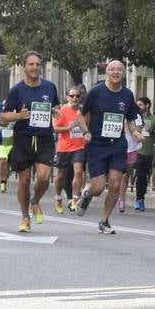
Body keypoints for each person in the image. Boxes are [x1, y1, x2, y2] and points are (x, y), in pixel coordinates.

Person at [74, 60, 140, 234]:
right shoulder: (96, 92)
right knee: (98, 187)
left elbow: (130, 120)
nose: (116, 72)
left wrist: (134, 132)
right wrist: (86, 132)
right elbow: (80, 115)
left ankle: (104, 221)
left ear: (124, 74)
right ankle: (87, 194)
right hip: (97, 145)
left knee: (116, 184)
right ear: (107, 72)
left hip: (118, 145)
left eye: (119, 70)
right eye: (112, 69)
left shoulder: (127, 95)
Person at [0, 51, 60, 233]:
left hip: (44, 138)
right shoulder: (16, 90)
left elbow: (54, 105)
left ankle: (35, 201)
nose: (35, 68)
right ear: (24, 67)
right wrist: (19, 115)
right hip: (23, 138)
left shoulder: (50, 87)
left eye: (38, 64)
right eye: (31, 64)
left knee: (43, 176)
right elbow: (3, 117)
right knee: (24, 180)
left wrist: (55, 111)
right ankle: (25, 217)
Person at [53, 86, 87, 214]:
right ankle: (58, 197)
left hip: (79, 146)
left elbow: (87, 126)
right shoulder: (61, 111)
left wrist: (87, 134)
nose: (75, 98)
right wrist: (68, 128)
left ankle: (75, 198)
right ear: (67, 97)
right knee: (61, 175)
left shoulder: (83, 111)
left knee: (78, 172)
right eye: (72, 96)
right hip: (64, 147)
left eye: (77, 96)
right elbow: (55, 129)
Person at [130, 96, 155, 212]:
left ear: (147, 106)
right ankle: (128, 199)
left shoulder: (154, 119)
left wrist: (152, 131)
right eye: (137, 105)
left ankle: (140, 199)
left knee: (143, 177)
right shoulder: (133, 118)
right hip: (135, 151)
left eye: (140, 105)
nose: (138, 107)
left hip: (147, 152)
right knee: (135, 174)